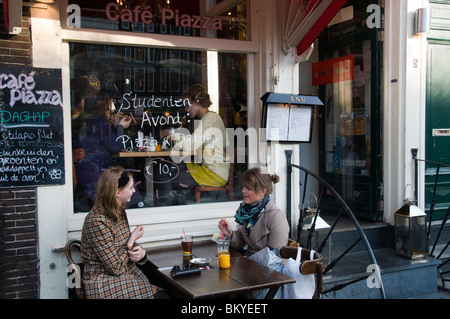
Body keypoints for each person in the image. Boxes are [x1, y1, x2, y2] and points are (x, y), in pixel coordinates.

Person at [80, 166, 153, 299]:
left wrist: (141, 253)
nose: (134, 191)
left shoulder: (118, 211)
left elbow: (124, 245)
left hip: (122, 274)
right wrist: (132, 239)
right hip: (102, 281)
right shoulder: (96, 221)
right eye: (130, 188)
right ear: (117, 192)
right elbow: (116, 268)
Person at [155, 83, 230, 204]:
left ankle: (167, 207)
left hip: (213, 174)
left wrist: (172, 136)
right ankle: (177, 204)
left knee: (164, 174)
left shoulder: (210, 119)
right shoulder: (208, 118)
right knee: (171, 167)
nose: (185, 109)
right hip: (209, 170)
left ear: (197, 101)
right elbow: (194, 141)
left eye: (186, 104)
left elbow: (191, 144)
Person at [218, 167, 290, 256]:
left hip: (266, 268)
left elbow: (275, 257)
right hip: (250, 265)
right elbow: (241, 243)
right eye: (243, 186)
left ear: (263, 192)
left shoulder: (275, 216)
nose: (243, 191)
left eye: (248, 188)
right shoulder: (247, 211)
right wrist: (230, 234)